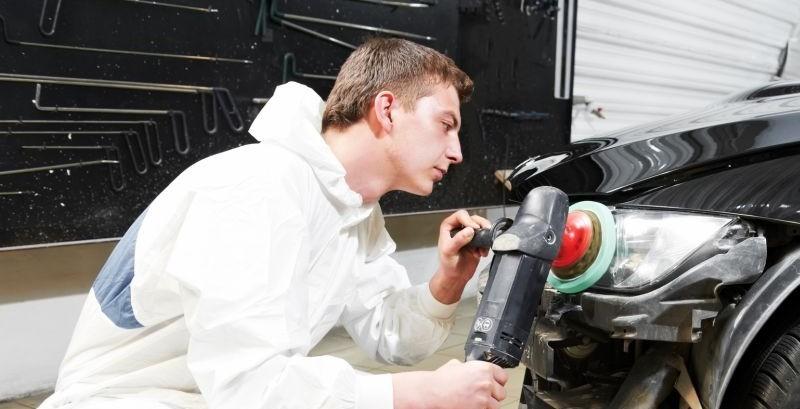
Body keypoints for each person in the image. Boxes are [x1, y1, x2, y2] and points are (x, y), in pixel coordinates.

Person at [40, 38, 508, 409]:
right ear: (386, 109)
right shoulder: (260, 186)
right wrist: (422, 394)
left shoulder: (353, 210)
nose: (457, 151)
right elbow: (252, 385)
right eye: (446, 124)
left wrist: (447, 282)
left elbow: (390, 334)